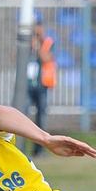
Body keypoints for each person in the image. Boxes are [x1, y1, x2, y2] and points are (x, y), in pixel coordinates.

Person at [26, 12, 56, 155]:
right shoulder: (27, 42)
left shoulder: (47, 42)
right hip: (27, 85)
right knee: (22, 116)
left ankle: (39, 150)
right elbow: (16, 57)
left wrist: (37, 46)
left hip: (41, 84)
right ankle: (20, 148)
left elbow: (46, 59)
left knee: (41, 118)